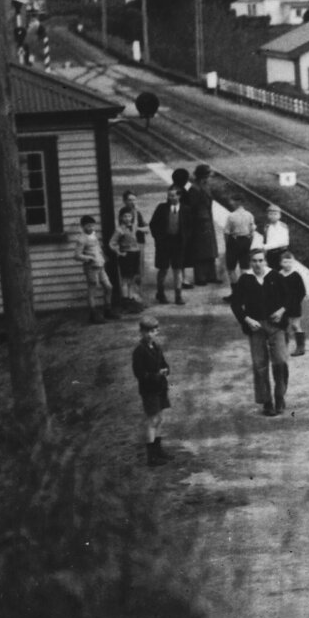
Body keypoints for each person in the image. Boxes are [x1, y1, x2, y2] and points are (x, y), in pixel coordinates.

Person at [230, 248, 290, 417]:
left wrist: (281, 311)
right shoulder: (245, 279)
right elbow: (235, 304)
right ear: (250, 263)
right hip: (256, 327)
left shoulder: (275, 277)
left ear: (265, 261)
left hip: (275, 325)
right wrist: (247, 319)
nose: (257, 264)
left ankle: (279, 396)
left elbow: (289, 298)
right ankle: (267, 402)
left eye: (260, 260)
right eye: (254, 261)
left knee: (280, 361)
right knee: (259, 364)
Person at [131, 315, 173, 466]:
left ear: (157, 332)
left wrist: (166, 370)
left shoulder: (157, 347)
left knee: (159, 419)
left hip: (160, 388)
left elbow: (164, 363)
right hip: (149, 390)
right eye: (146, 331)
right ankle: (151, 456)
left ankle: (158, 449)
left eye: (153, 331)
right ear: (141, 332)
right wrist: (156, 375)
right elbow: (139, 373)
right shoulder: (139, 351)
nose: (150, 334)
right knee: (152, 420)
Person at [73, 215, 118, 324]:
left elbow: (97, 247)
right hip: (91, 267)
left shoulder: (93, 234)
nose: (91, 228)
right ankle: (93, 315)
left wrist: (103, 256)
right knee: (93, 289)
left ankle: (108, 310)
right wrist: (89, 258)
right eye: (88, 226)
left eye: (92, 225)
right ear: (83, 226)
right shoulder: (81, 239)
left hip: (100, 265)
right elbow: (77, 255)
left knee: (109, 287)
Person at [151, 186, 192, 304]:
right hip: (164, 243)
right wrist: (158, 239)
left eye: (173, 195)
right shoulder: (161, 208)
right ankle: (160, 293)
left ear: (179, 196)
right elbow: (153, 224)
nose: (170, 197)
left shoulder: (186, 209)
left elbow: (190, 226)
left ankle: (178, 295)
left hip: (178, 243)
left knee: (177, 269)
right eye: (169, 195)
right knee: (163, 269)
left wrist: (185, 239)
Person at [187, 164, 220, 286]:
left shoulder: (205, 186)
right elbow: (192, 207)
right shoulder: (194, 189)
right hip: (199, 223)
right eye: (208, 175)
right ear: (203, 176)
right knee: (200, 250)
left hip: (207, 221)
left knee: (210, 249)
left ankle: (211, 275)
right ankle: (200, 277)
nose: (210, 178)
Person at [109, 207, 144, 310]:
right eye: (125, 216)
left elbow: (137, 218)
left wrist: (135, 208)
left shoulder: (133, 227)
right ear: (120, 217)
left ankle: (131, 298)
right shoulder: (119, 230)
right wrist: (119, 252)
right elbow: (112, 243)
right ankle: (125, 300)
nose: (128, 218)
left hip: (135, 254)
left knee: (132, 278)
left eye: (129, 216)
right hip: (126, 255)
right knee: (125, 279)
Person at [278, 249, 308, 356]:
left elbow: (302, 291)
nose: (287, 264)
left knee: (295, 325)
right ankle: (283, 346)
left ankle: (300, 347)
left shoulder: (296, 275)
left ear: (293, 262)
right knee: (283, 325)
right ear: (281, 263)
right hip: (282, 306)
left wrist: (296, 301)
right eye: (285, 262)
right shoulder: (278, 275)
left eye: (289, 262)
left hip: (294, 305)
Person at [222, 196, 255, 284]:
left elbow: (226, 232)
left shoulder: (231, 216)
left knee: (231, 268)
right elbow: (252, 232)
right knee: (244, 267)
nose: (231, 203)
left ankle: (236, 292)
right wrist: (248, 243)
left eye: (232, 201)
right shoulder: (249, 215)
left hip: (234, 242)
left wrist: (227, 244)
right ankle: (243, 291)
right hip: (246, 241)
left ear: (237, 203)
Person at [120, 190, 148, 291]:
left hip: (139, 242)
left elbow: (145, 228)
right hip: (129, 245)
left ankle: (137, 291)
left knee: (140, 268)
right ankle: (131, 294)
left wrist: (139, 229)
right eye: (130, 200)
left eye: (134, 200)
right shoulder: (124, 213)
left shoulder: (137, 213)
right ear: (124, 201)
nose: (133, 202)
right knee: (130, 271)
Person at [262, 204, 291, 271]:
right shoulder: (267, 227)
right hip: (270, 254)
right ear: (267, 215)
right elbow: (266, 240)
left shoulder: (283, 226)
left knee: (281, 271)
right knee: (271, 270)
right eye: (270, 214)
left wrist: (267, 246)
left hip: (281, 253)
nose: (273, 216)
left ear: (279, 215)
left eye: (275, 214)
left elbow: (285, 242)